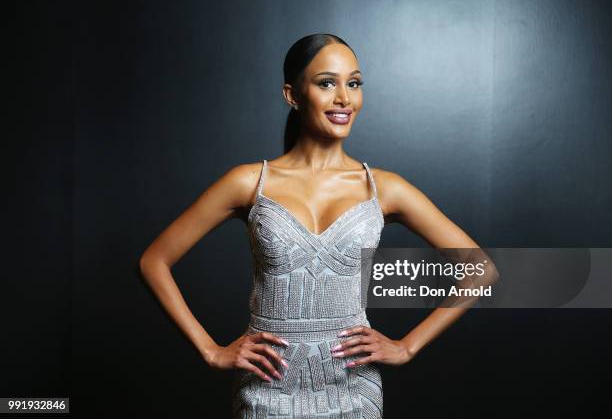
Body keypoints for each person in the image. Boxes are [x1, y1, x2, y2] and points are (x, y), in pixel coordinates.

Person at [139, 33, 483, 418]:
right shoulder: (250, 182)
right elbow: (154, 261)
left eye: (353, 83)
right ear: (292, 94)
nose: (344, 99)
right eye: (326, 83)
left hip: (354, 392)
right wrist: (210, 350)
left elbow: (480, 270)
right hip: (265, 393)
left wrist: (407, 346)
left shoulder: (383, 188)